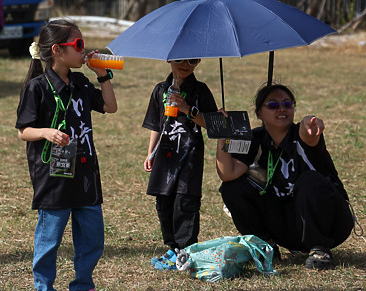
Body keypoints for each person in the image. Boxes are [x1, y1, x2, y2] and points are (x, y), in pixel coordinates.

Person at [16, 19, 118, 291]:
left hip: (85, 171)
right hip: (55, 175)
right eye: (79, 45)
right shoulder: (37, 87)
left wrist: (103, 75)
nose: (84, 50)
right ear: (58, 51)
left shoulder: (82, 83)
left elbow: (110, 107)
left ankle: (83, 289)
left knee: (92, 235)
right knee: (50, 237)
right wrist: (46, 132)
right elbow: (23, 130)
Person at [215, 83, 354, 270]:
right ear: (259, 114)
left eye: (287, 104)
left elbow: (309, 135)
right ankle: (266, 247)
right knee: (232, 188)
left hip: (331, 221)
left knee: (308, 180)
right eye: (273, 105)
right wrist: (222, 137)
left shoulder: (300, 135)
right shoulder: (256, 139)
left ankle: (320, 249)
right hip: (289, 224)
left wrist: (309, 123)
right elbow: (227, 173)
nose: (281, 109)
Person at [143, 58, 217, 255]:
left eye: (192, 60)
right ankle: (172, 246)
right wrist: (151, 152)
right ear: (169, 59)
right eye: (179, 60)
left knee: (185, 200)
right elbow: (155, 125)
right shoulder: (160, 89)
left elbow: (211, 124)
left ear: (199, 61)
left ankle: (186, 247)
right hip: (165, 153)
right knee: (163, 200)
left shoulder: (201, 90)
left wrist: (188, 109)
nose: (185, 64)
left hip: (190, 153)